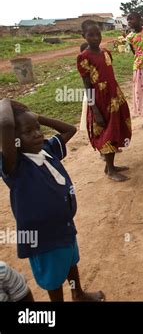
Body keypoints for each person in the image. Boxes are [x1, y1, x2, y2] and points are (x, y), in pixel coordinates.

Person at [0, 99, 105, 301]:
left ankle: (78, 293)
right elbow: (5, 124)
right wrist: (5, 101)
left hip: (64, 226)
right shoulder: (14, 166)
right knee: (53, 278)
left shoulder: (46, 149)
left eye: (38, 129)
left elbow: (69, 130)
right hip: (42, 238)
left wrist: (36, 117)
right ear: (13, 140)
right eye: (28, 132)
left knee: (70, 262)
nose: (38, 134)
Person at [77, 20, 132, 182]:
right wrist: (94, 110)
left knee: (116, 129)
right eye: (91, 35)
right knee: (106, 132)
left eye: (98, 34)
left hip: (115, 97)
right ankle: (110, 170)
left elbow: (110, 76)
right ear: (84, 36)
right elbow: (87, 86)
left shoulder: (106, 52)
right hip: (100, 102)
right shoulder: (83, 57)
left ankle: (111, 166)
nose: (95, 38)